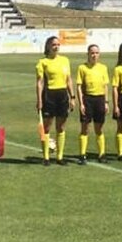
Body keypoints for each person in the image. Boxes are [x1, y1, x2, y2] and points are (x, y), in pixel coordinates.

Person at [36, 36, 74, 166]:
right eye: (53, 44)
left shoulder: (65, 60)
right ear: (48, 46)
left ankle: (60, 157)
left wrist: (72, 97)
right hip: (49, 95)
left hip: (62, 95)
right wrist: (39, 100)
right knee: (47, 127)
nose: (56, 47)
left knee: (61, 126)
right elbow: (40, 83)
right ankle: (46, 157)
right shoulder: (43, 62)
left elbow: (69, 79)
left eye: (58, 44)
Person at [77, 44, 110, 163]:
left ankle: (101, 154)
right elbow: (79, 87)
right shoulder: (82, 68)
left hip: (100, 99)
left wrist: (106, 102)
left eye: (96, 53)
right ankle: (82, 155)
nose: (94, 55)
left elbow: (105, 86)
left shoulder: (103, 68)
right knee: (85, 128)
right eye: (92, 53)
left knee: (99, 128)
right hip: (88, 99)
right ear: (88, 54)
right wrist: (81, 103)